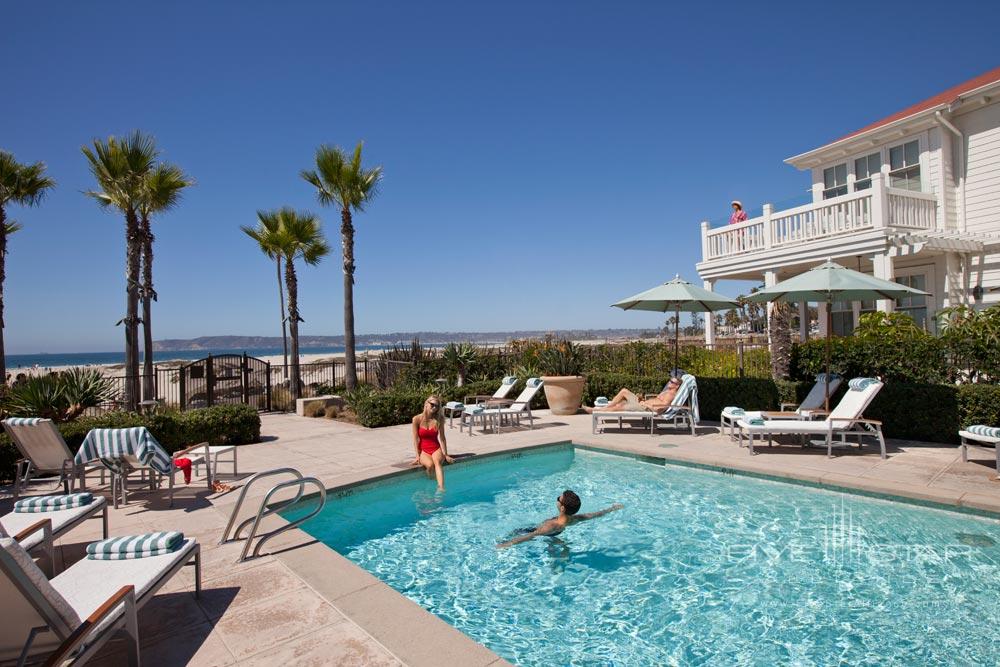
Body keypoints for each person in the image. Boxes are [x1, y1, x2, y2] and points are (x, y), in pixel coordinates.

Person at [496, 490, 623, 549]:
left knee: (516, 532)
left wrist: (507, 544)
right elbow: (595, 514)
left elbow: (531, 536)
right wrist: (611, 509)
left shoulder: (551, 525)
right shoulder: (575, 518)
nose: (557, 499)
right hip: (555, 532)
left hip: (546, 533)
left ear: (562, 508)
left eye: (558, 498)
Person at [410, 395, 454, 490]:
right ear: (426, 404)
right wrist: (417, 456)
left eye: (437, 406)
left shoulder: (439, 419)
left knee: (437, 463)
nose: (434, 407)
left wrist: (445, 454)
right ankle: (432, 481)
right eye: (432, 405)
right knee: (429, 465)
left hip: (436, 448)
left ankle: (441, 489)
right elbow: (416, 439)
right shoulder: (416, 419)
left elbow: (442, 438)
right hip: (424, 451)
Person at [583, 376, 681, 414]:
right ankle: (605, 407)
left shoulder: (671, 395)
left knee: (620, 406)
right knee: (624, 391)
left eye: (672, 382)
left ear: (677, 386)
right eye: (670, 380)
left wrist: (645, 404)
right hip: (643, 403)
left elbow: (659, 409)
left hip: (645, 408)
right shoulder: (667, 392)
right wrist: (642, 399)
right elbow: (656, 399)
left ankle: (596, 411)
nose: (669, 382)